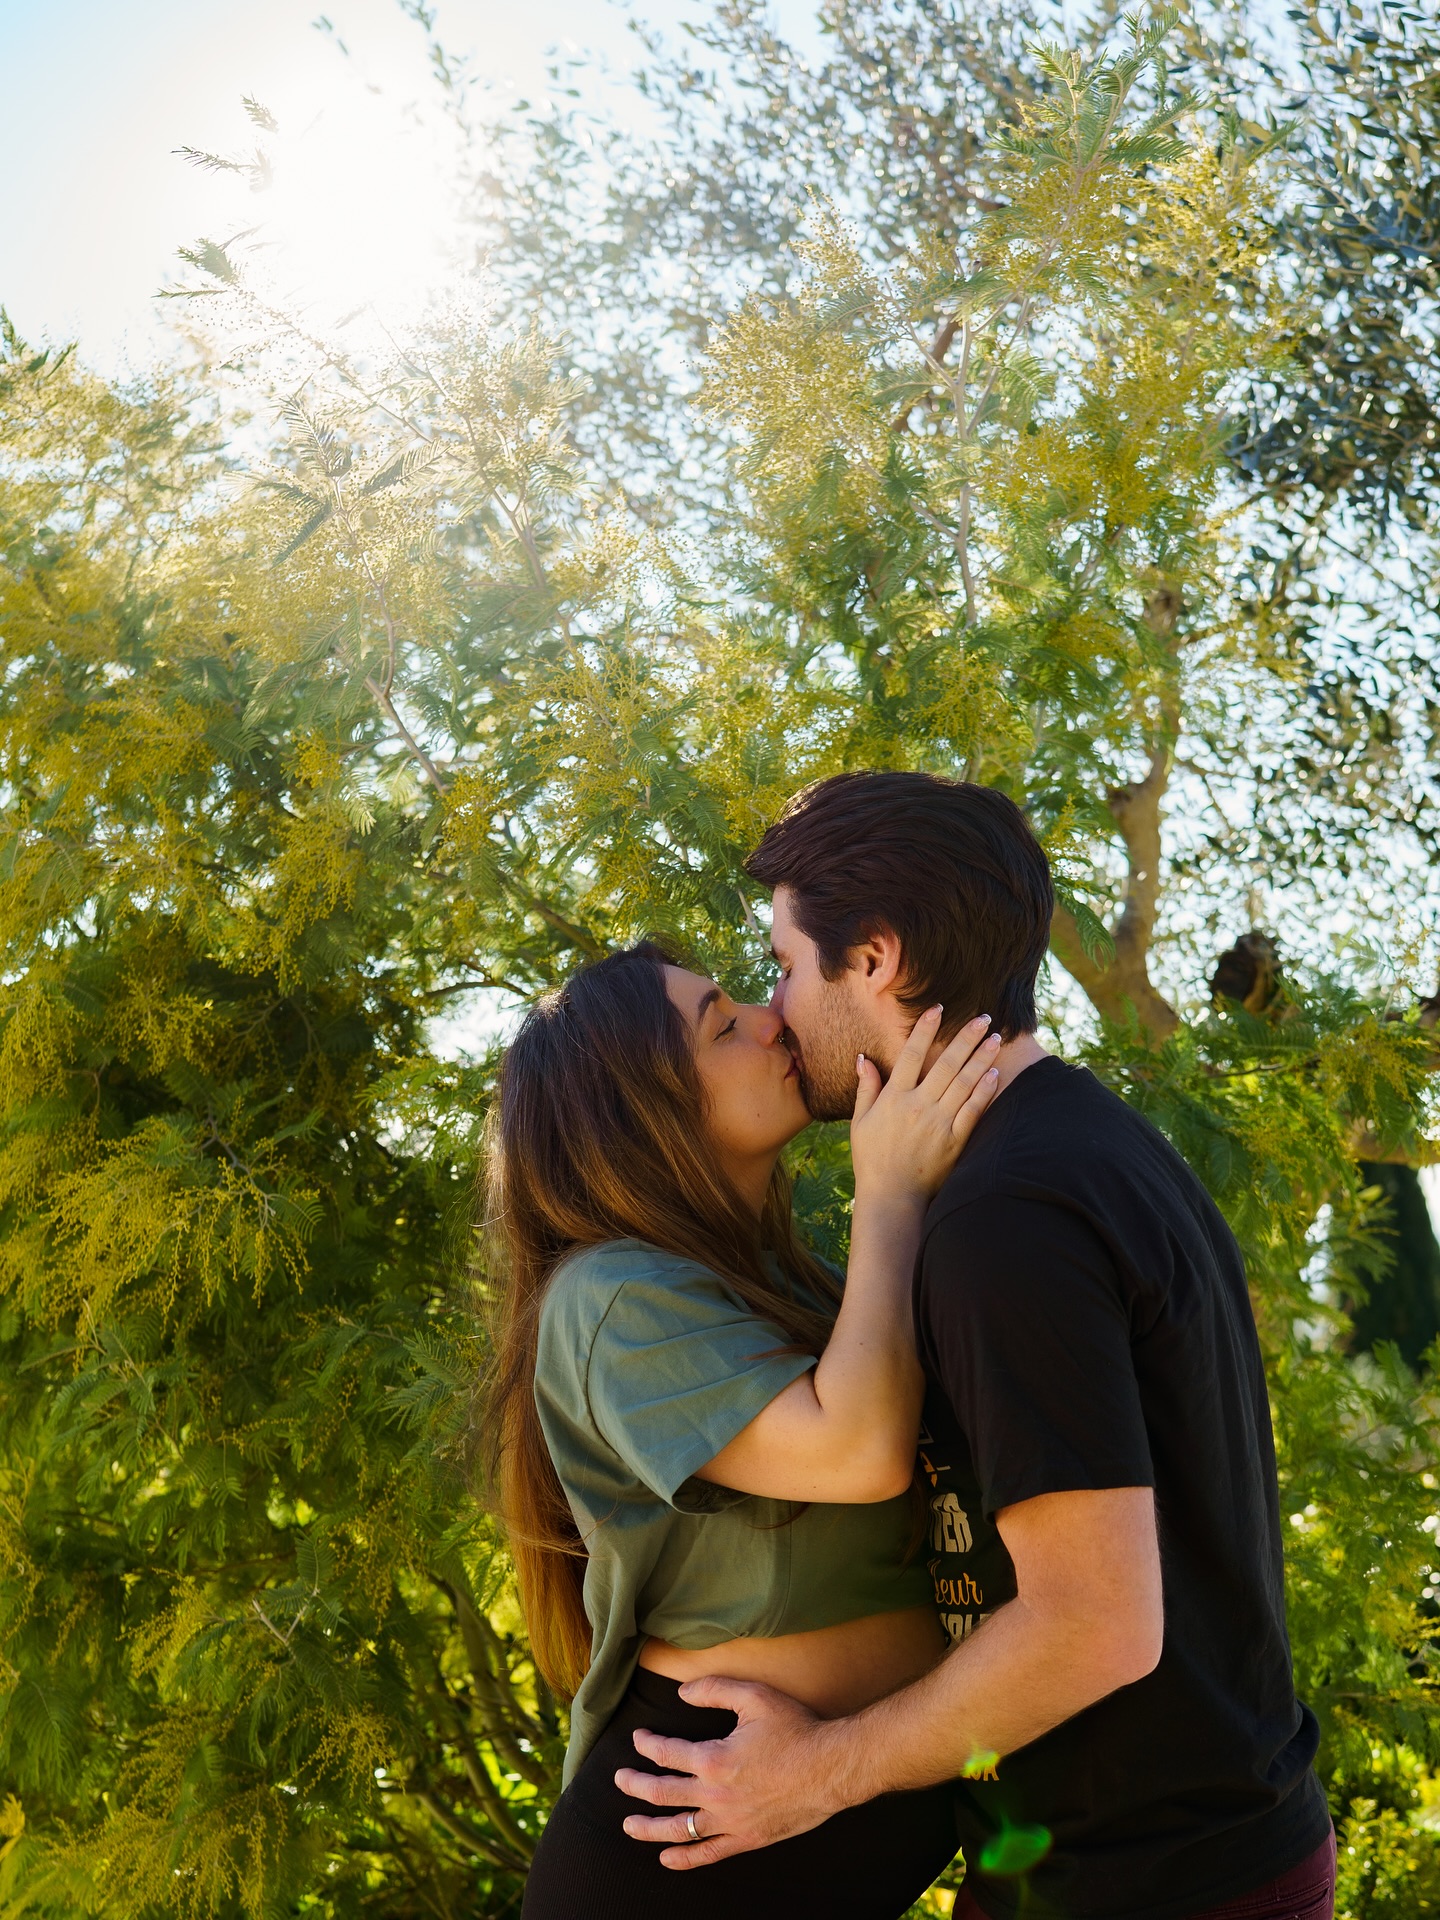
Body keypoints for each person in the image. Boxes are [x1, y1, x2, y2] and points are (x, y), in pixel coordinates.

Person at [616, 772, 1337, 1920]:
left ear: (877, 961)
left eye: (789, 967)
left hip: (1148, 1883)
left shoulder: (1009, 1213)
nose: (777, 1006)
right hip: (1149, 1861)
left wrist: (814, 1775)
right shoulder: (1077, 1145)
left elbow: (1093, 1625)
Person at [483, 937, 1003, 1918]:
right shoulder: (608, 1298)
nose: (775, 1021)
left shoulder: (784, 1281)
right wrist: (888, 1193)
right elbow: (857, 1452)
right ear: (640, 1113)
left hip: (816, 1814)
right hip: (682, 1856)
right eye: (724, 1025)